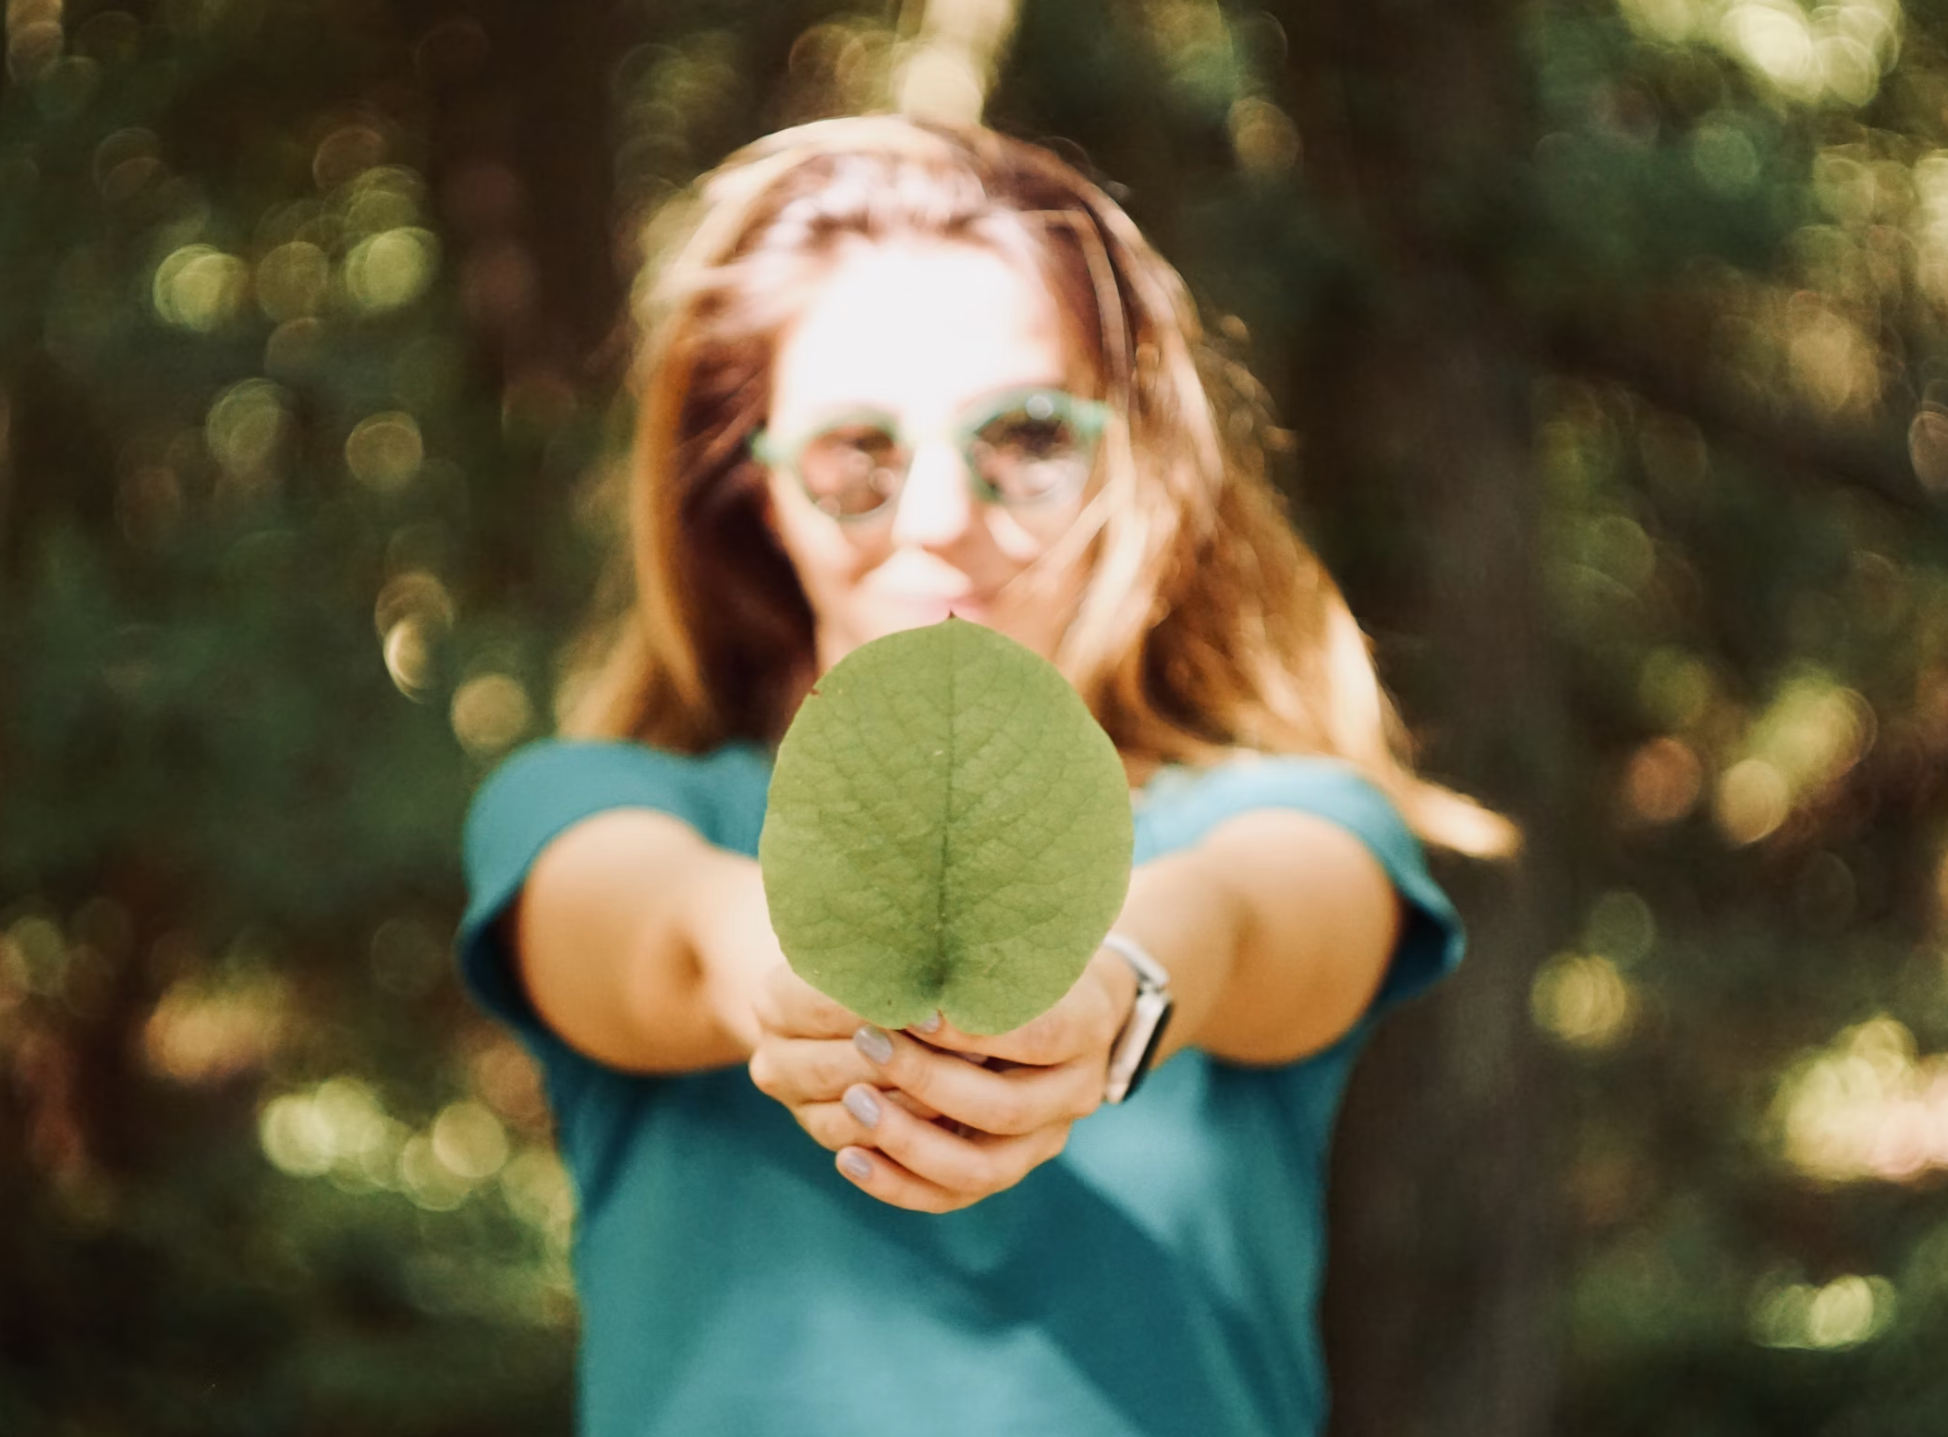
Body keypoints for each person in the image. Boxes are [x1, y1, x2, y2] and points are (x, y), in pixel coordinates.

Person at [456, 114, 1511, 1437]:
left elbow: (1246, 922)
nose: (943, 517)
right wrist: (792, 980)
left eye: (1026, 437)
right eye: (857, 452)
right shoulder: (583, 806)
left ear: (1128, 459)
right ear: (754, 487)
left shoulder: (1290, 817)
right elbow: (660, 935)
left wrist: (1111, 992)